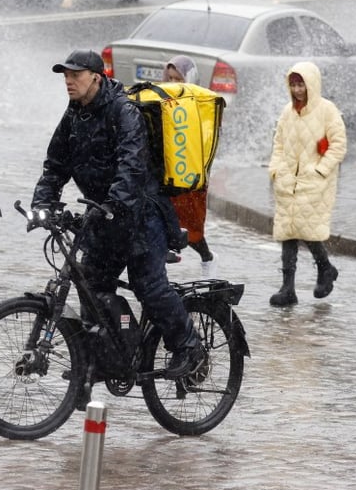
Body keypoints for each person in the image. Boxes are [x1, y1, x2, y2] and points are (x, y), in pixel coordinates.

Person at [31, 49, 203, 379]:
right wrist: (43, 204)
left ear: (96, 77)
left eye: (75, 75)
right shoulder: (73, 115)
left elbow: (132, 164)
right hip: (104, 216)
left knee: (148, 285)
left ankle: (189, 346)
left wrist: (116, 202)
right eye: (65, 75)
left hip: (141, 214)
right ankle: (101, 358)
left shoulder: (123, 110)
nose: (68, 81)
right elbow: (55, 165)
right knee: (90, 284)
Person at [267, 61, 347, 307]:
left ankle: (324, 268)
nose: (297, 90)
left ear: (311, 84)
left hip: (314, 182)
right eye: (293, 84)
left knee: (307, 229)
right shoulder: (287, 112)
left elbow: (338, 144)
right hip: (288, 180)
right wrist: (276, 170)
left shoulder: (327, 110)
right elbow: (278, 143)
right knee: (288, 232)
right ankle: (288, 288)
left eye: (301, 84)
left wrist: (320, 171)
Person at [163, 55, 217, 279]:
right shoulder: (163, 101)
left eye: (179, 78)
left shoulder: (201, 104)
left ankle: (207, 257)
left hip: (191, 174)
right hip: (168, 173)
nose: (174, 83)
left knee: (191, 226)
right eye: (171, 78)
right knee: (163, 219)